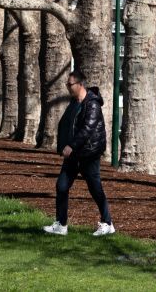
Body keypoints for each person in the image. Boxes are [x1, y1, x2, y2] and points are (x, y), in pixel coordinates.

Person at [43, 68, 115, 237]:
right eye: (67, 84)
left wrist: (71, 146)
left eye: (70, 84)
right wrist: (62, 144)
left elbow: (87, 129)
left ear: (80, 84)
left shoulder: (92, 104)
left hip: (89, 154)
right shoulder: (74, 103)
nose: (67, 86)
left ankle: (108, 223)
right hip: (74, 155)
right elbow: (66, 124)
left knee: (95, 188)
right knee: (61, 186)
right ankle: (61, 225)